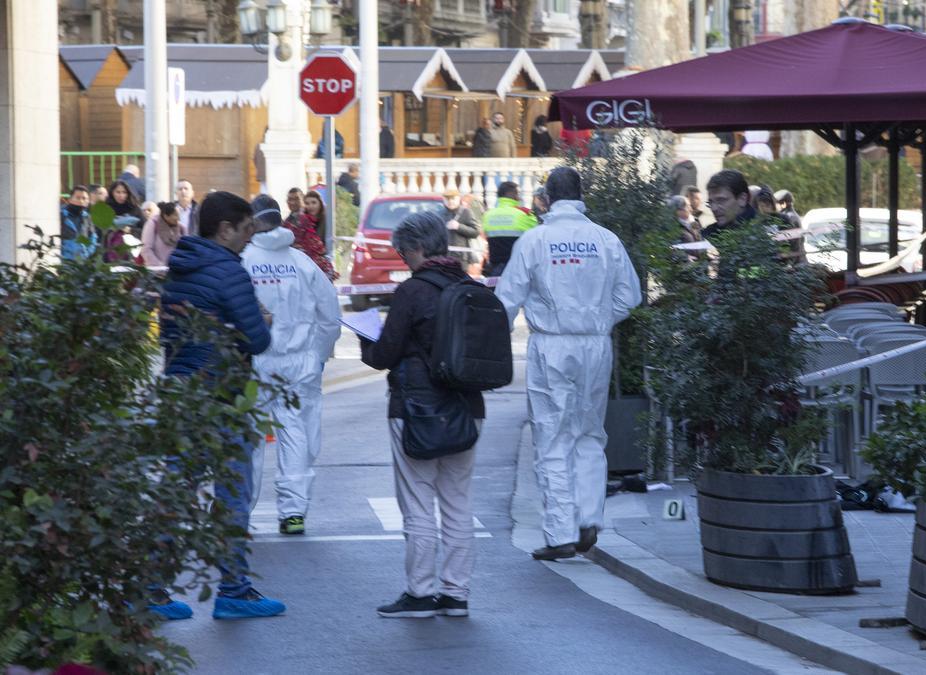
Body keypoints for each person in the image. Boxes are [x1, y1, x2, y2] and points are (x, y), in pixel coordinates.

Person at [496, 167, 640, 561]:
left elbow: (507, 300)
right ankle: (589, 517)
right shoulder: (605, 240)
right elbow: (630, 295)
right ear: (582, 195)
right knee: (589, 433)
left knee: (553, 435)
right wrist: (599, 320)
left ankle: (560, 531)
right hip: (595, 344)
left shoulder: (535, 240)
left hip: (553, 345)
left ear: (546, 198)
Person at [157, 191, 283, 620]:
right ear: (225, 230)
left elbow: (171, 336)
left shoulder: (179, 267)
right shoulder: (230, 272)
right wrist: (262, 320)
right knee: (233, 494)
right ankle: (234, 589)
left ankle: (151, 589)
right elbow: (258, 340)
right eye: (247, 230)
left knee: (175, 494)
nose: (251, 239)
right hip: (222, 398)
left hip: (180, 392)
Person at [360, 211, 486, 618]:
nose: (401, 259)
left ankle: (419, 593)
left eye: (402, 251)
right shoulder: (470, 286)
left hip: (417, 410)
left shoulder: (413, 292)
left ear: (416, 248)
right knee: (457, 503)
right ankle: (456, 594)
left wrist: (365, 337)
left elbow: (385, 355)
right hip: (468, 408)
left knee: (417, 502)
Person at [242, 195, 341, 536]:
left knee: (249, 436)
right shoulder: (301, 262)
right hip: (300, 363)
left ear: (250, 222)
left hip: (255, 362)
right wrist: (321, 354)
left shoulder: (243, 260)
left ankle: (239, 510)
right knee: (295, 433)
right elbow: (330, 313)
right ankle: (293, 511)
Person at [480, 181, 537, 276]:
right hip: (519, 269)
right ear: (513, 195)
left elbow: (484, 235)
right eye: (518, 194)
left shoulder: (487, 215)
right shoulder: (524, 214)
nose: (519, 197)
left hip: (495, 269)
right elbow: (537, 234)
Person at [285, 191, 337, 281]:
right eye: (307, 203)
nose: (310, 206)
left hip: (322, 265)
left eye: (314, 203)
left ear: (320, 204)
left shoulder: (326, 221)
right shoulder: (301, 221)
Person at [701, 169, 756, 239]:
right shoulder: (708, 234)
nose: (714, 208)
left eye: (721, 200)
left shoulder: (762, 232)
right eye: (711, 202)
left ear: (742, 199)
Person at [441, 189, 481, 270]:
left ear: (458, 199)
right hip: (444, 256)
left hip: (461, 258)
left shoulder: (466, 212)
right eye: (447, 199)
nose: (450, 201)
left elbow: (475, 232)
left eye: (453, 198)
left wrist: (459, 227)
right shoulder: (440, 214)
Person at [105, 178, 145, 258]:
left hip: (132, 252)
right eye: (118, 192)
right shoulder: (106, 209)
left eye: (124, 192)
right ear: (112, 193)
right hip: (110, 251)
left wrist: (130, 230)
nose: (121, 195)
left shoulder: (134, 208)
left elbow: (145, 229)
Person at [140, 201, 186, 268]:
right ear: (166, 216)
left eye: (179, 215)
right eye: (175, 215)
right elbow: (146, 249)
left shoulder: (182, 228)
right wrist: (160, 266)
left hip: (177, 270)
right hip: (157, 272)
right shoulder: (152, 224)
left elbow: (186, 249)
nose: (178, 218)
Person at [60, 185, 96, 260]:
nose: (81, 201)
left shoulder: (87, 218)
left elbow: (93, 237)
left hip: (83, 261)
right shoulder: (62, 216)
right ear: (70, 199)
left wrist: (87, 253)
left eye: (84, 198)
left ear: (88, 201)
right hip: (65, 261)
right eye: (78, 198)